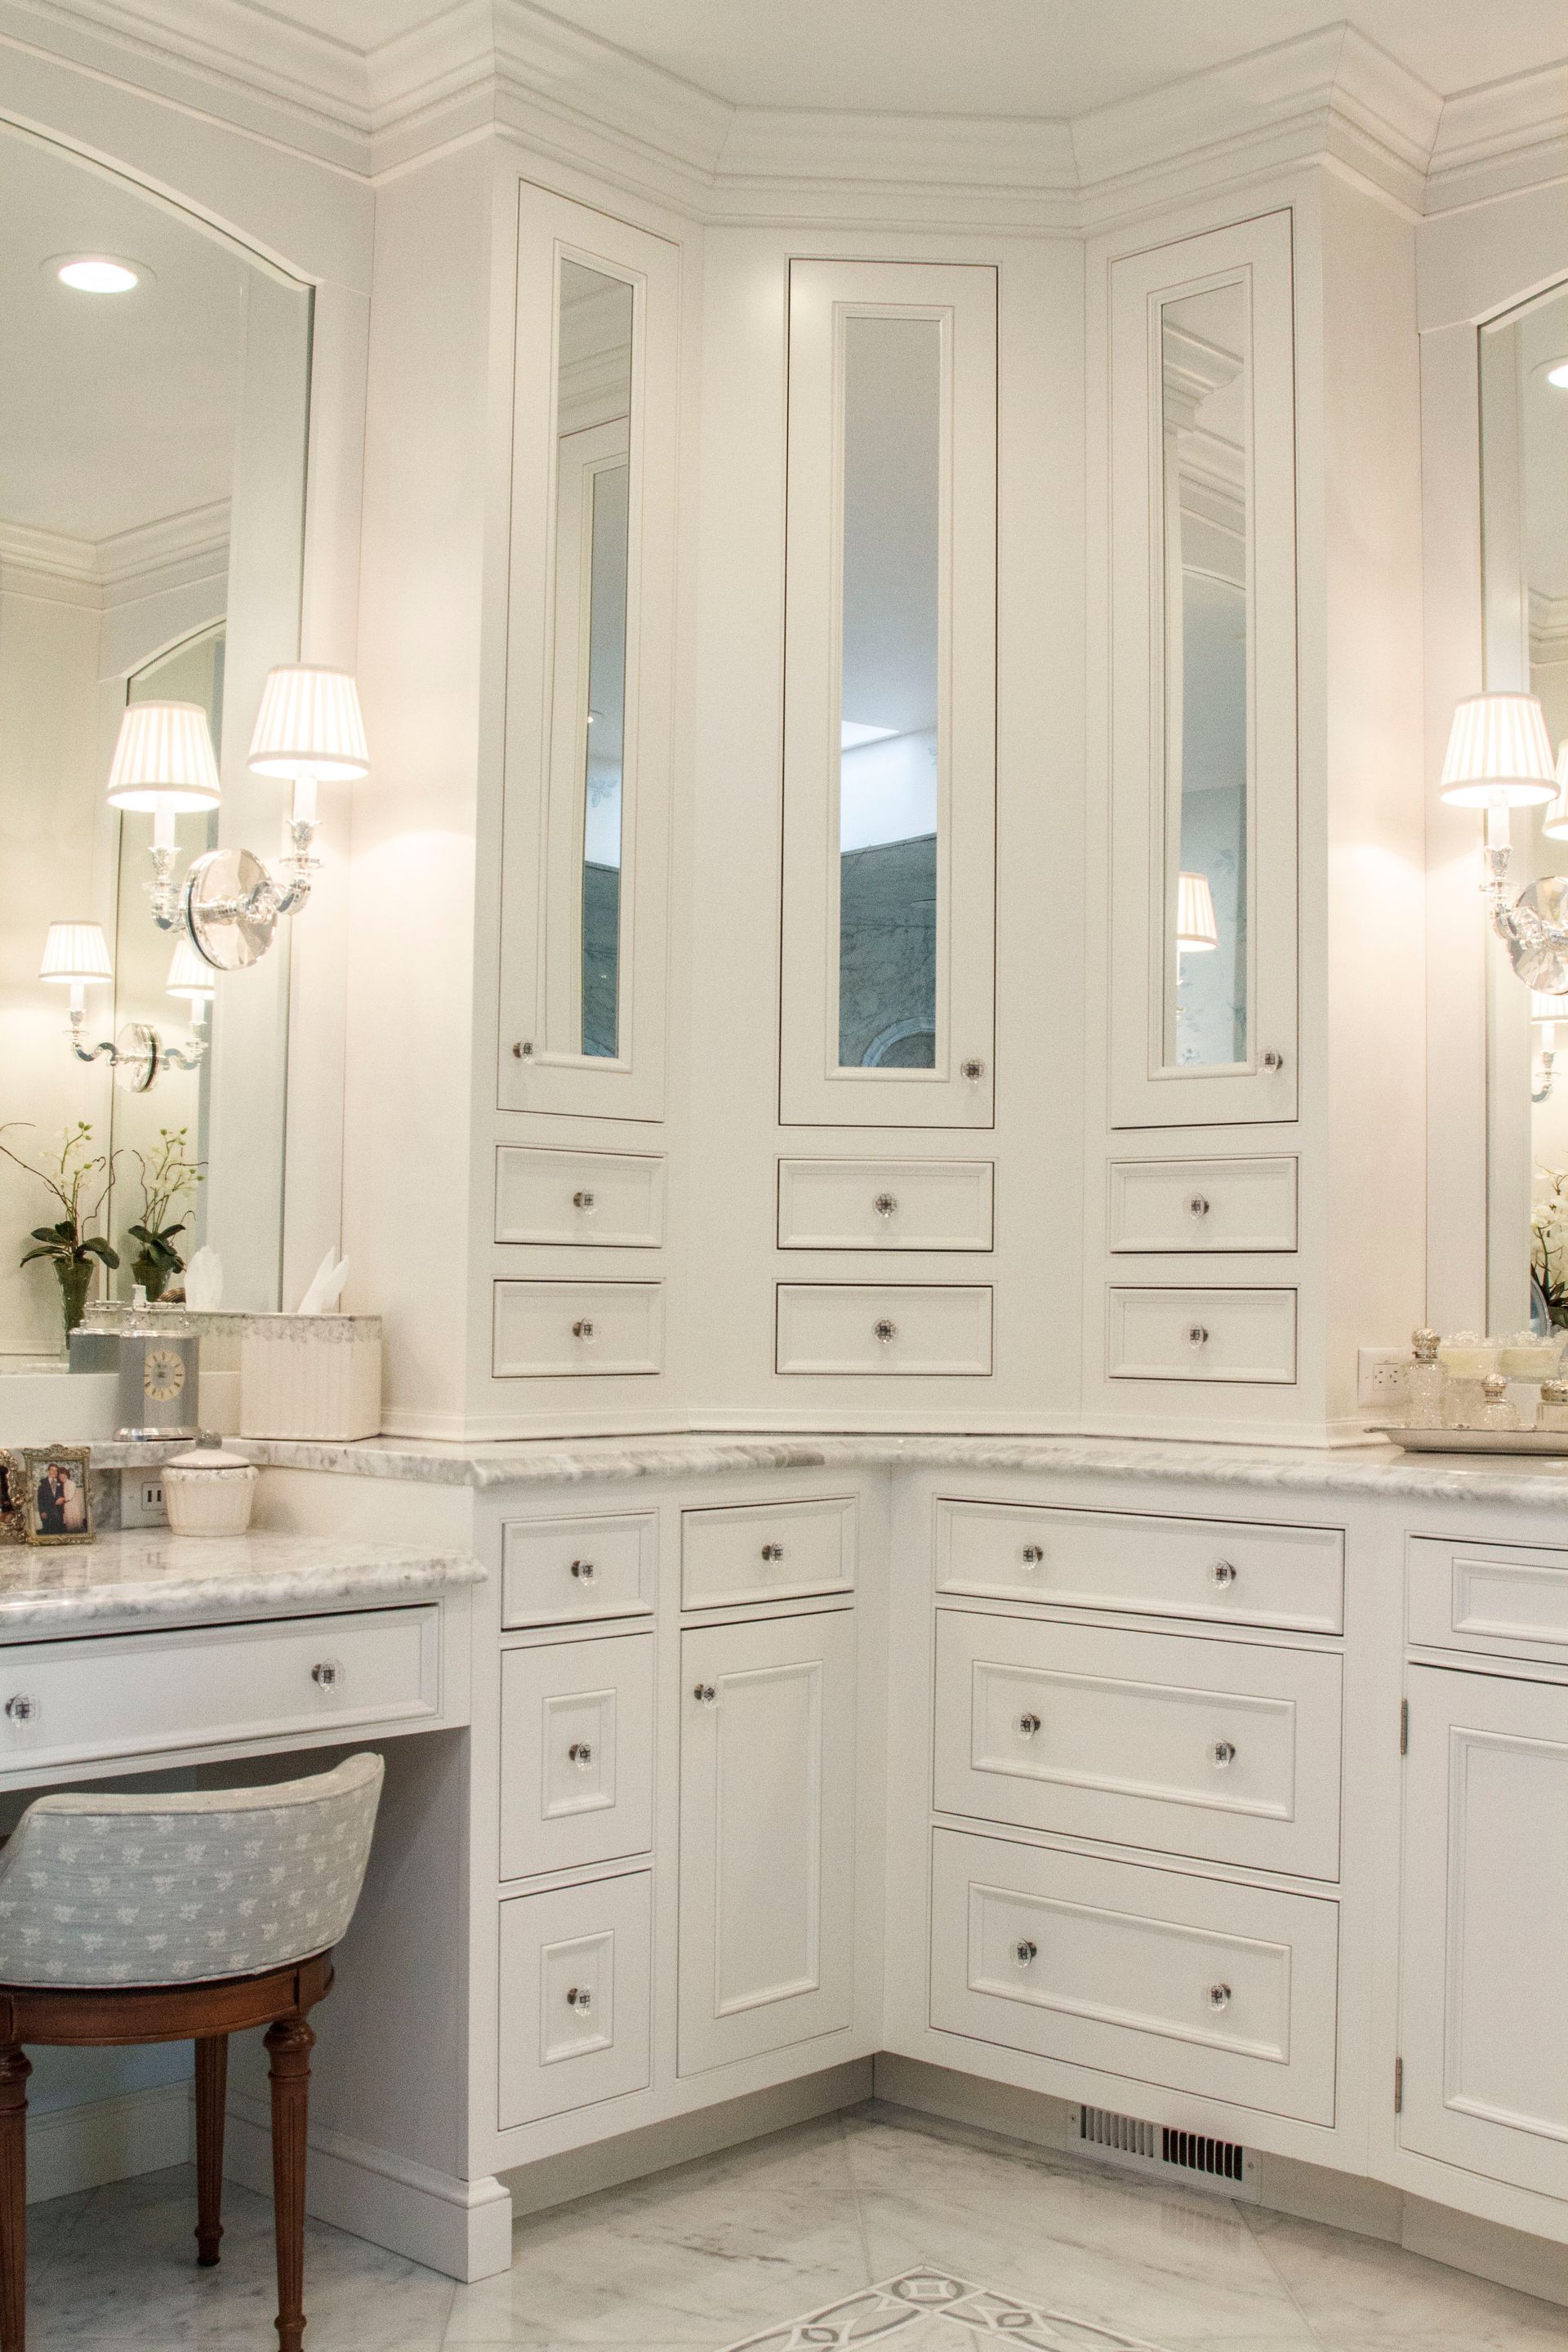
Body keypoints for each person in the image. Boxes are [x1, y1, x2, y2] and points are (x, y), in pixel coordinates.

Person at [34, 1465, 69, 1537]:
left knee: (58, 1532)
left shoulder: (60, 1482)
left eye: (56, 1470)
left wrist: (62, 1500)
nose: (54, 1472)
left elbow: (64, 1495)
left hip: (58, 1511)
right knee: (48, 1533)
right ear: (48, 1471)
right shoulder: (42, 1482)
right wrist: (42, 1511)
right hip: (46, 1511)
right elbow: (40, 1498)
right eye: (52, 1470)